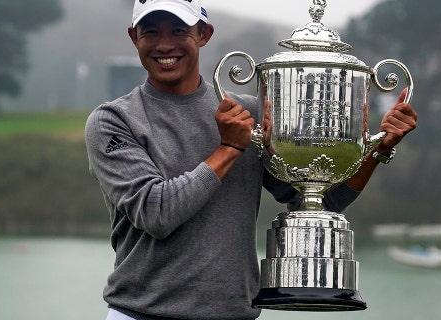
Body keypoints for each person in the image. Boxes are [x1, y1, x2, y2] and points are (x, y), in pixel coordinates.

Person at [84, 0, 418, 319]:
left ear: (203, 34)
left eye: (178, 31)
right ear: (134, 37)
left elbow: (322, 201)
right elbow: (157, 213)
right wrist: (229, 148)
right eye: (151, 32)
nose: (164, 45)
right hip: (142, 315)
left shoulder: (249, 114)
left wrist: (378, 149)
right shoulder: (113, 121)